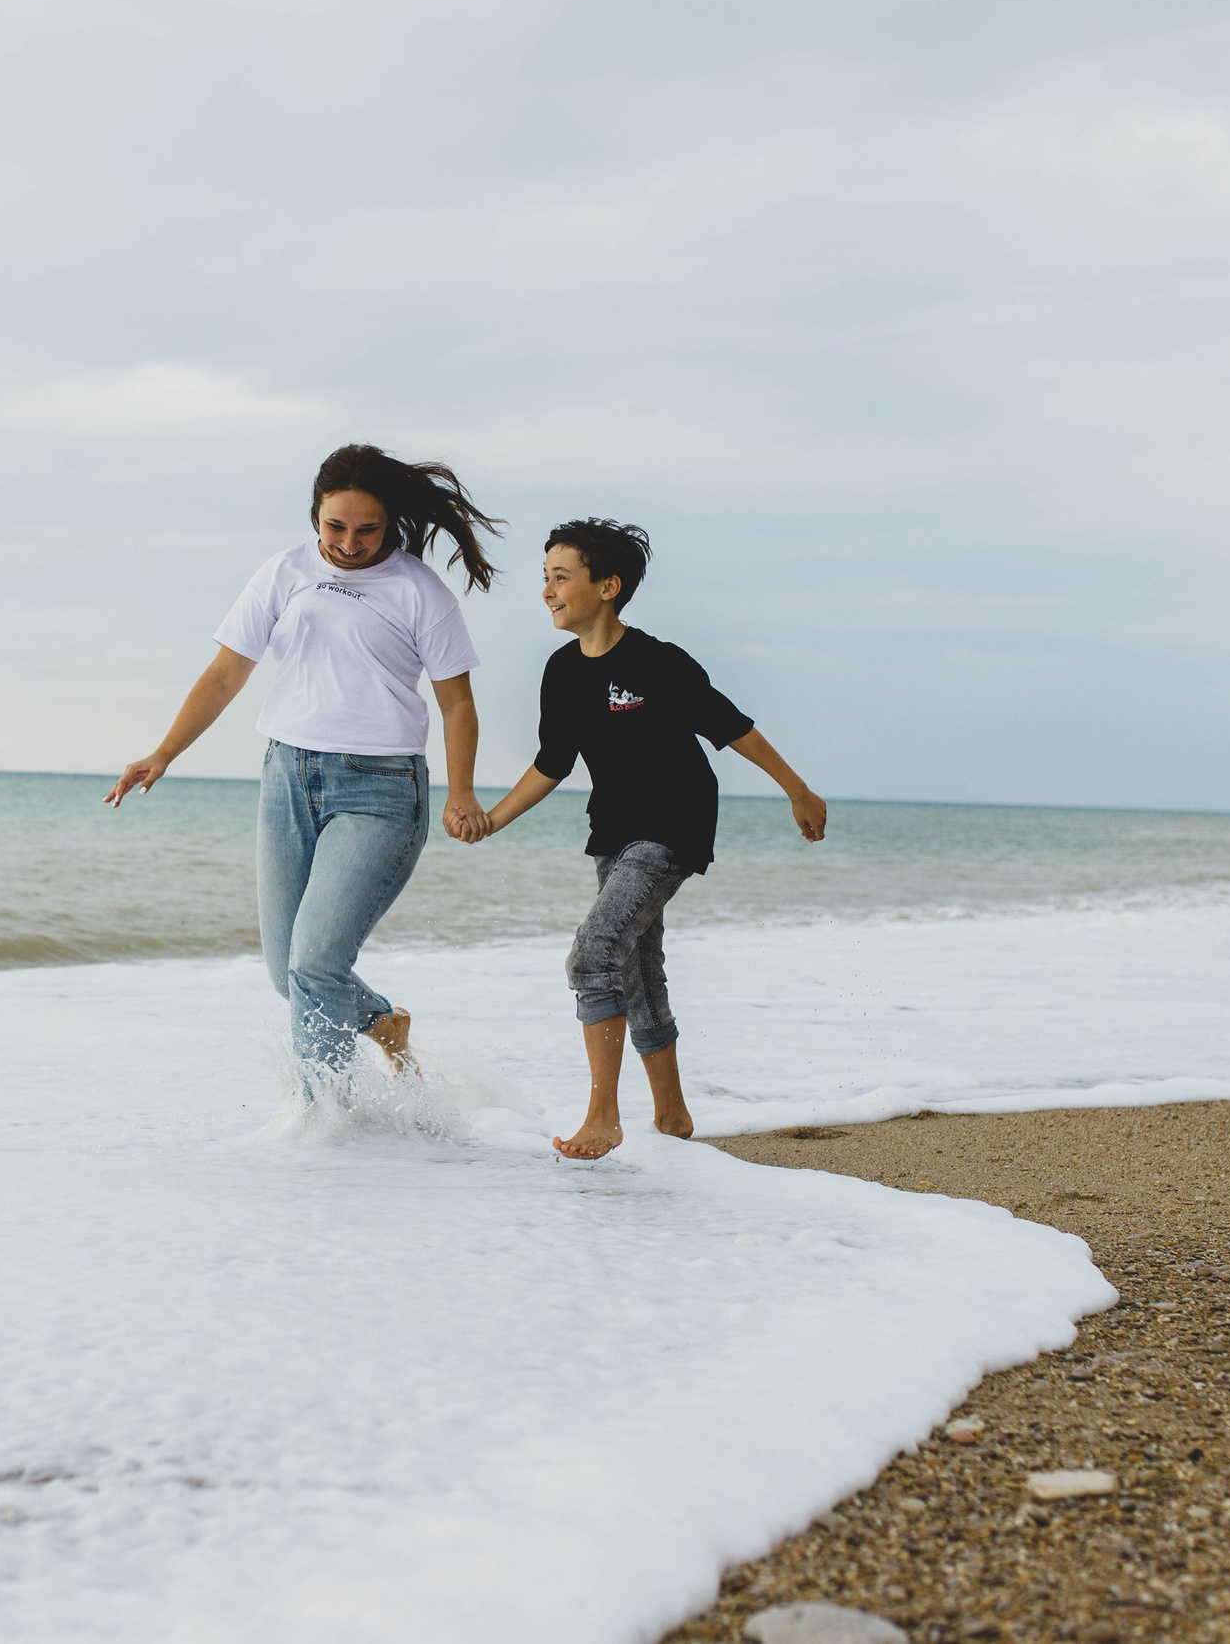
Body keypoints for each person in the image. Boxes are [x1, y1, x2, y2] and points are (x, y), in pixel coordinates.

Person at [106, 445, 499, 1082]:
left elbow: (457, 703)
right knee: (286, 971)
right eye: (334, 526)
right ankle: (381, 1024)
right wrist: (163, 753)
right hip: (287, 777)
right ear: (314, 515)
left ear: (391, 522)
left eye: (367, 529)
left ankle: (325, 1129)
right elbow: (226, 672)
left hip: (381, 788)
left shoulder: (419, 590)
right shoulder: (282, 572)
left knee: (313, 964)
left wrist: (462, 792)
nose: (348, 543)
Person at [470, 519, 827, 1159]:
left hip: (674, 826)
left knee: (593, 954)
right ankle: (673, 1116)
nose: (547, 591)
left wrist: (796, 790)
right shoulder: (561, 671)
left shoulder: (659, 662)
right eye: (544, 579)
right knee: (635, 967)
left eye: (560, 577)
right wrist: (493, 819)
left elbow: (732, 727)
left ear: (607, 586)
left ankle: (603, 1115)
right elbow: (553, 762)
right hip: (612, 831)